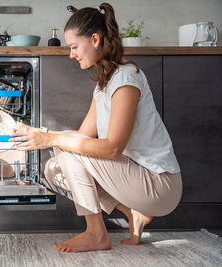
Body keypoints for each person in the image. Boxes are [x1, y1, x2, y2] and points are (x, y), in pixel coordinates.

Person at [9, 2, 182, 253]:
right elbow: (82, 137)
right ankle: (132, 213)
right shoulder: (104, 85)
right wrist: (38, 134)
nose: (71, 54)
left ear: (95, 39)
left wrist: (50, 137)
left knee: (64, 147)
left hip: (159, 184)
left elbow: (112, 148)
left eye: (74, 47)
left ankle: (96, 234)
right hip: (136, 179)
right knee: (54, 167)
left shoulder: (125, 80)